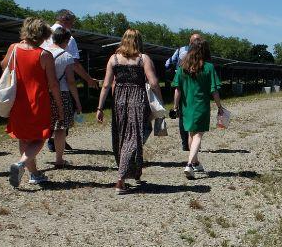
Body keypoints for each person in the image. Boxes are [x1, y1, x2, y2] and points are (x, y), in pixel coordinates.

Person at [96, 29, 164, 194]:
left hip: (119, 101)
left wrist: (100, 107)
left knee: (121, 138)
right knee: (133, 139)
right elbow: (153, 83)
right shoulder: (143, 59)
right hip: (138, 101)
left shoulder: (113, 59)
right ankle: (120, 179)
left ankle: (132, 171)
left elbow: (106, 85)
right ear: (139, 41)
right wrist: (160, 102)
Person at [2, 18, 65, 188]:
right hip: (38, 101)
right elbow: (53, 84)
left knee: (24, 137)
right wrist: (60, 107)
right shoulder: (44, 55)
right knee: (40, 137)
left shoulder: (14, 48)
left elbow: (3, 66)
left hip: (18, 101)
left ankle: (34, 174)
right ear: (44, 35)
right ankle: (21, 164)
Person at [42, 9, 98, 152]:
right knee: (63, 117)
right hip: (62, 84)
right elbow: (74, 64)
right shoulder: (69, 38)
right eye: (72, 23)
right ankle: (56, 143)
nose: (72, 26)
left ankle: (42, 144)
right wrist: (88, 79)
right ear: (65, 21)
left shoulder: (43, 33)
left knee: (47, 115)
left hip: (43, 84)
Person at [172, 38, 225, 179]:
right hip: (201, 106)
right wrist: (219, 106)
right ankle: (189, 164)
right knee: (198, 135)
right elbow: (214, 90)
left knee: (191, 134)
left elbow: (177, 89)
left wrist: (175, 107)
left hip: (186, 106)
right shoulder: (208, 67)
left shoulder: (182, 67)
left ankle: (195, 162)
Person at [45, 27, 83, 167]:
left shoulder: (43, 53)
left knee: (43, 125)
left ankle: (31, 158)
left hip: (44, 94)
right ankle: (59, 159)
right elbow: (71, 81)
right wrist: (77, 102)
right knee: (60, 128)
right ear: (66, 41)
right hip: (62, 94)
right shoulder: (66, 56)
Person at [166, 33, 202, 152]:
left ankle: (185, 144)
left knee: (182, 115)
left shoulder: (180, 50)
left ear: (189, 41)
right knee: (195, 113)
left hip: (181, 82)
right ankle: (194, 141)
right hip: (196, 87)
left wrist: (177, 71)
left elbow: (167, 64)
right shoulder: (202, 53)